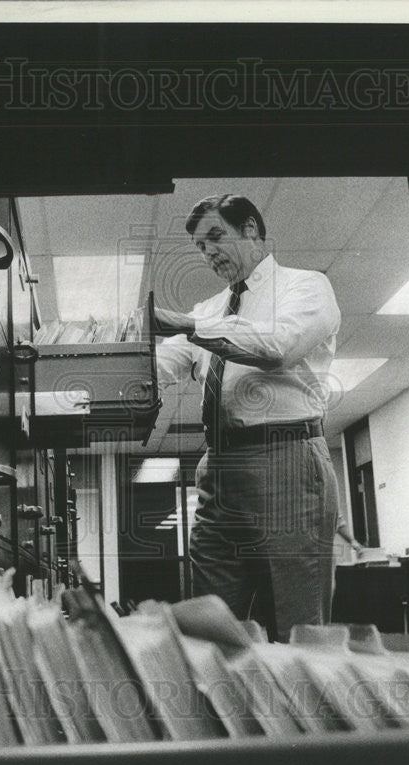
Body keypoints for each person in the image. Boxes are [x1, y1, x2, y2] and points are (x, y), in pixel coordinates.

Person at [154, 194, 341, 641]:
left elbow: (277, 347)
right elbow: (161, 364)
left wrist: (186, 325)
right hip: (219, 468)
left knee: (297, 626)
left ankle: (297, 711)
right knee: (213, 624)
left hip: (287, 460)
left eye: (216, 237)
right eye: (200, 246)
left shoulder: (305, 287)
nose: (209, 252)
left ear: (252, 230)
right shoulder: (208, 310)